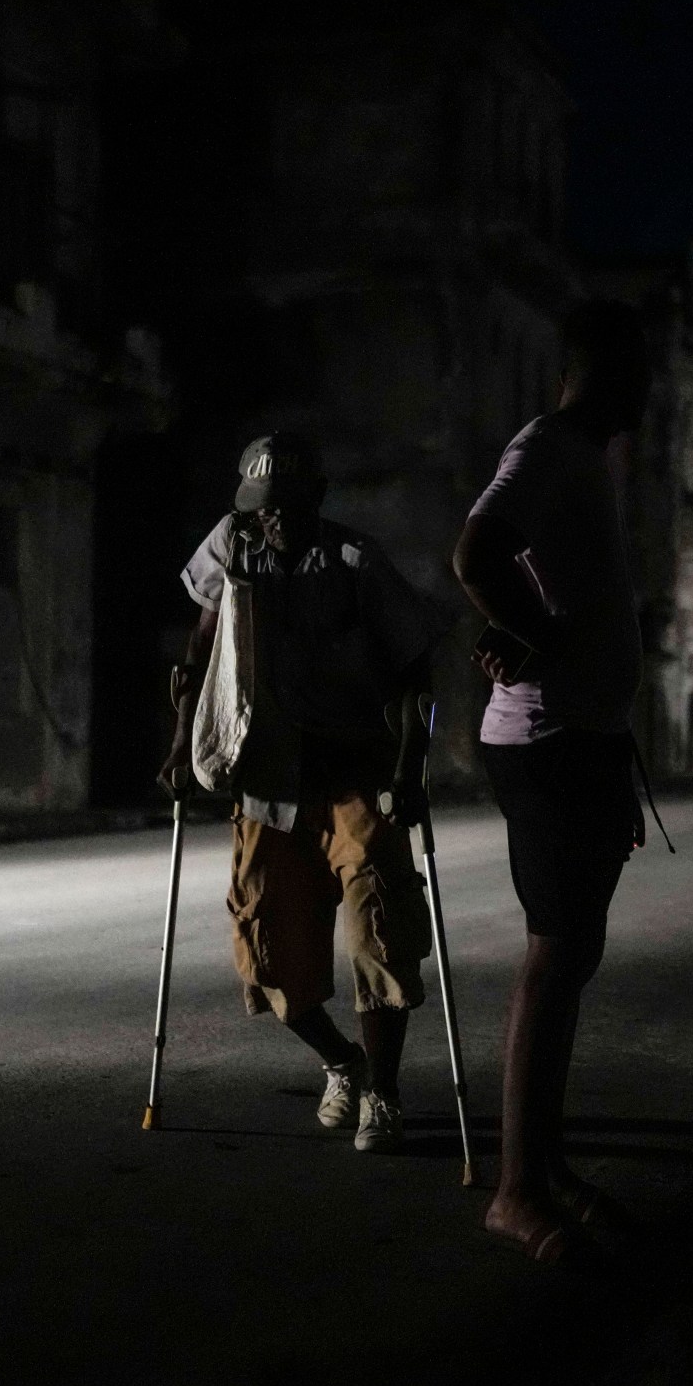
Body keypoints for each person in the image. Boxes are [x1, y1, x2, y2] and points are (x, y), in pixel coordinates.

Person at [159, 433, 445, 1153]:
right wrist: (179, 747)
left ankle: (383, 1089)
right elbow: (199, 651)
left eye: (286, 508)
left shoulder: (356, 562)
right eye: (261, 509)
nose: (272, 522)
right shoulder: (232, 545)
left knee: (381, 933)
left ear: (316, 498)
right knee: (269, 953)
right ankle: (340, 1062)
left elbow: (418, 671)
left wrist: (410, 770)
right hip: (266, 783)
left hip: (355, 778)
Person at [453, 298, 652, 1264]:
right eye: (643, 371)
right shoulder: (548, 448)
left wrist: (542, 628)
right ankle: (517, 1189)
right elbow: (476, 553)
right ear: (604, 371)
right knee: (554, 956)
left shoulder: (584, 459)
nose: (654, 391)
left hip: (584, 735)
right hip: (549, 739)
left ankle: (547, 1164)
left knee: (572, 960)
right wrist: (537, 635)